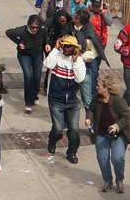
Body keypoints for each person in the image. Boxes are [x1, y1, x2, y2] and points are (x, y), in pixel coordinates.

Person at [87, 75, 130, 193]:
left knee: (118, 158)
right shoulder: (97, 99)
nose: (96, 87)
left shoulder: (118, 101)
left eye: (99, 85)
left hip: (118, 135)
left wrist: (116, 126)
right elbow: (91, 109)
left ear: (106, 88)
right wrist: (88, 118)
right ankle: (108, 181)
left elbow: (126, 116)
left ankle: (119, 180)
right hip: (101, 133)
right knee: (102, 158)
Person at [44, 34, 87, 163]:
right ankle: (52, 141)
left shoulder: (79, 61)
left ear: (75, 49)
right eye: (64, 46)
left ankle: (72, 152)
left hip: (72, 101)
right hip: (56, 100)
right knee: (58, 129)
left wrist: (75, 62)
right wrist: (55, 49)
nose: (65, 48)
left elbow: (80, 78)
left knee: (74, 130)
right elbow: (47, 64)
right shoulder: (57, 56)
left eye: (68, 47)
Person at [6, 14, 48, 113]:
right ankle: (28, 102)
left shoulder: (43, 29)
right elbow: (8, 32)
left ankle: (34, 94)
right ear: (28, 25)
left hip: (37, 54)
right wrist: (18, 43)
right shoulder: (22, 30)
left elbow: (46, 35)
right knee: (28, 76)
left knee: (37, 77)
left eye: (37, 27)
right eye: (32, 27)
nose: (34, 30)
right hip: (24, 55)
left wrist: (47, 43)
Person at [72, 6, 107, 109]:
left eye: (74, 16)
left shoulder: (88, 33)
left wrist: (80, 57)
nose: (72, 17)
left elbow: (94, 52)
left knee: (86, 96)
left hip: (84, 65)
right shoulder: (71, 27)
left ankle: (91, 120)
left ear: (78, 20)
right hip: (70, 66)